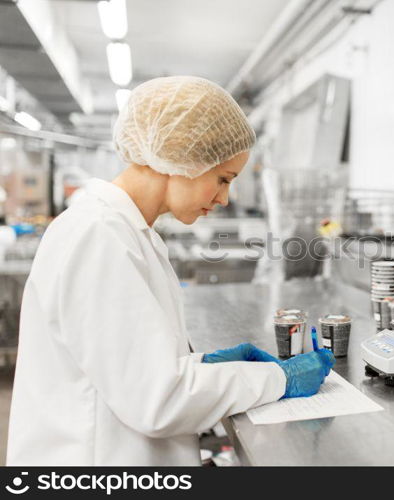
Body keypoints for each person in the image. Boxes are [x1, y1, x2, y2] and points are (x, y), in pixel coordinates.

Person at [6, 76, 335, 466]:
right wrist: (281, 379)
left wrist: (202, 366)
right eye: (223, 178)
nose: (224, 197)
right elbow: (158, 399)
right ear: (182, 156)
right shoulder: (100, 236)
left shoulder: (130, 232)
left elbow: (129, 366)